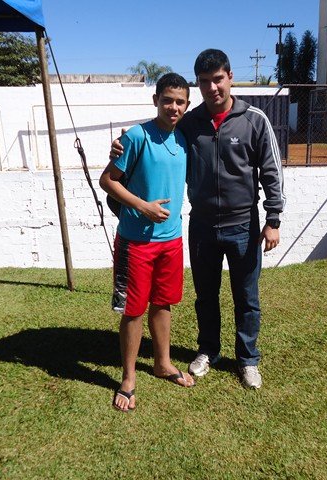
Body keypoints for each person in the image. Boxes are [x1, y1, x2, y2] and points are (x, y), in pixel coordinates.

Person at [110, 49, 285, 389]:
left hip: (243, 226)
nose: (212, 87)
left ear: (230, 77)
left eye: (218, 79)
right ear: (198, 85)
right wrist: (121, 145)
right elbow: (157, 130)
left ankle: (247, 359)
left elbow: (271, 171)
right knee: (205, 295)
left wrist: (273, 218)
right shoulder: (190, 123)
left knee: (246, 297)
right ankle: (208, 350)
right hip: (202, 225)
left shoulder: (254, 120)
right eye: (204, 82)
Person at [99, 73, 195, 413]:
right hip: (135, 242)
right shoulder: (137, 136)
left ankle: (162, 363)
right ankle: (128, 378)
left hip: (171, 240)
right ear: (156, 100)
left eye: (180, 102)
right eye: (167, 100)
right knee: (133, 309)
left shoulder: (183, 137)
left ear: (187, 105)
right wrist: (142, 206)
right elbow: (107, 180)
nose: (173, 107)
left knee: (163, 302)